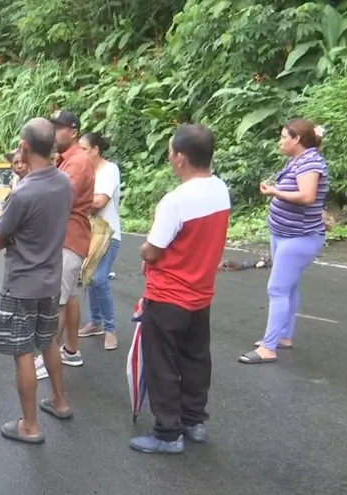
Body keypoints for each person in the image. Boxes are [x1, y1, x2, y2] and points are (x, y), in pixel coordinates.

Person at [130, 124, 230, 454]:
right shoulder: (220, 190)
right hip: (202, 294)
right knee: (196, 358)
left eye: (171, 151)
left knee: (161, 364)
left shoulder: (176, 200)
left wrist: (144, 249)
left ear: (181, 158)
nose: (170, 157)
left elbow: (153, 249)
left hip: (168, 296)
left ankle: (167, 433)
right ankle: (193, 421)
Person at [0, 118, 73, 444]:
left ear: (24, 147)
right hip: (51, 280)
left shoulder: (22, 193)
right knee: (48, 339)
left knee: (22, 351)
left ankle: (30, 425)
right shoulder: (65, 182)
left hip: (22, 284)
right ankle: (60, 401)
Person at [239, 120, 328, 364]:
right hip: (284, 233)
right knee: (290, 286)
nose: (280, 142)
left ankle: (268, 348)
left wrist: (274, 192)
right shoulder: (299, 160)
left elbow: (307, 196)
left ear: (296, 139)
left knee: (277, 289)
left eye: (283, 137)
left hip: (298, 237)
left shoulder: (310, 162)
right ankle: (284, 336)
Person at [33, 110, 94, 379]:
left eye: (59, 128)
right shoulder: (63, 160)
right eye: (52, 128)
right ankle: (71, 351)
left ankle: (49, 358)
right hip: (65, 237)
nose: (54, 133)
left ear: (73, 131)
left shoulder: (77, 161)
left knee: (55, 302)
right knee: (66, 297)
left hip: (69, 238)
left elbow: (59, 197)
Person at [77, 132, 122, 351]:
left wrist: (77, 201)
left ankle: (110, 329)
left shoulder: (109, 169)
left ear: (96, 150)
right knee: (89, 277)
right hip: (89, 233)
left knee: (99, 279)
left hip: (108, 234)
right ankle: (95, 322)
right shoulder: (86, 171)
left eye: (84, 149)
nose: (81, 153)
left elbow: (99, 202)